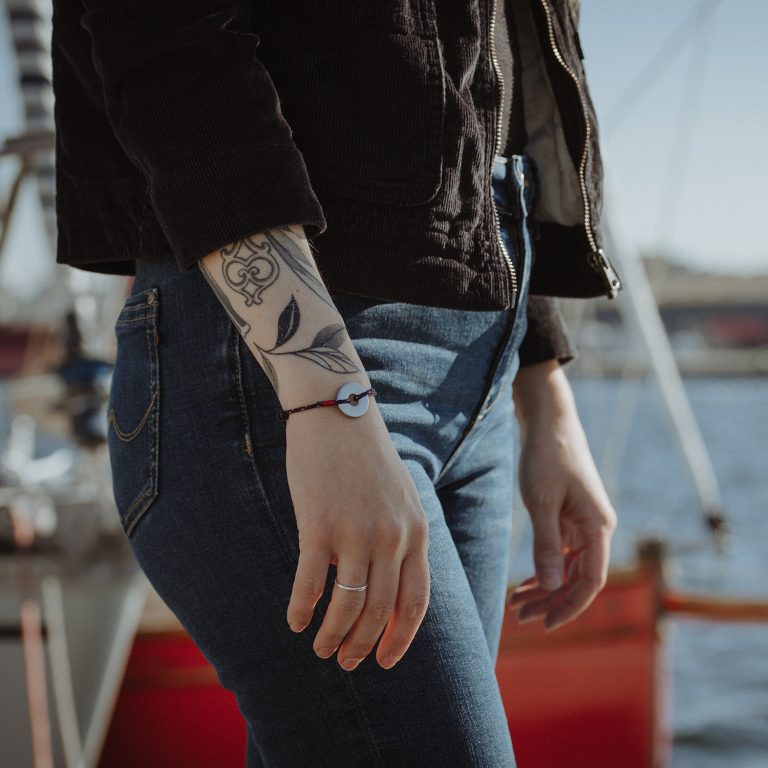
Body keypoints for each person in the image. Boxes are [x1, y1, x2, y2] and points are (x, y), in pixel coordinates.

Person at [52, 1, 620, 765]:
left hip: (478, 367)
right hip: (290, 362)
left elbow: (504, 79)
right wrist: (324, 391)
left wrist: (544, 393)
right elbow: (162, 37)